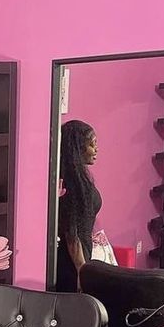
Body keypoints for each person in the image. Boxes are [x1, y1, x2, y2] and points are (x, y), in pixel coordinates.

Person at [56, 119, 102, 292]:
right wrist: (81, 271)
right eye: (91, 144)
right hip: (72, 264)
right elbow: (72, 234)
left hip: (81, 257)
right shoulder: (71, 184)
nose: (96, 149)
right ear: (76, 149)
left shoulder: (78, 179)